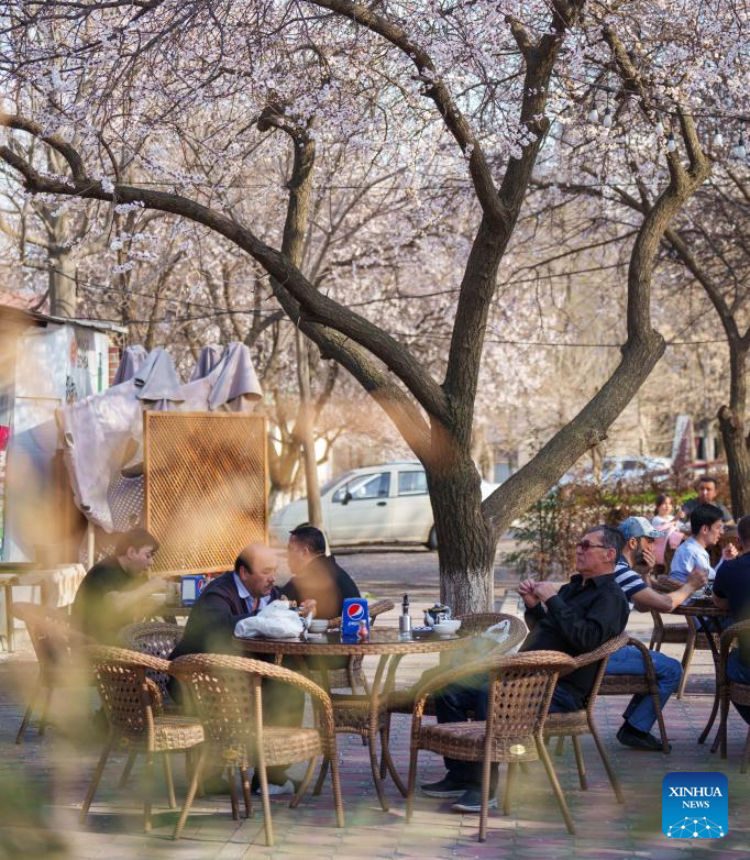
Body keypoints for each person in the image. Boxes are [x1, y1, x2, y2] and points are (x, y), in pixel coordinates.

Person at [421, 525, 629, 814]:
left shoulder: (611, 599)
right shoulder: (574, 588)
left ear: (608, 554)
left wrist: (553, 600)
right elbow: (553, 632)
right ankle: (460, 775)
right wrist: (535, 609)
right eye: (578, 544)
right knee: (450, 688)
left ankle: (483, 788)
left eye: (586, 545)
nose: (578, 550)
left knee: (490, 696)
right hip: (526, 678)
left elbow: (587, 640)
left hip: (561, 690)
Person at [169, 543, 307, 795]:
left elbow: (278, 619)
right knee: (280, 693)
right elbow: (217, 627)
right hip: (193, 680)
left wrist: (296, 614)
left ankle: (271, 774)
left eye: (274, 571)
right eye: (266, 571)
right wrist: (262, 620)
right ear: (244, 573)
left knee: (290, 685)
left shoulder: (268, 594)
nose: (273, 578)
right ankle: (260, 776)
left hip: (236, 677)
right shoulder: (219, 594)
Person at [608, 517, 707, 751]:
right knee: (672, 669)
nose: (653, 547)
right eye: (649, 541)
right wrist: (690, 586)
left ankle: (634, 724)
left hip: (605, 649)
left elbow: (642, 606)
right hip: (605, 654)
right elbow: (664, 604)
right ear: (633, 543)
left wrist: (645, 574)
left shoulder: (620, 569)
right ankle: (635, 729)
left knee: (659, 663)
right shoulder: (621, 572)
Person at [71, 528, 164, 644]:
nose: (151, 563)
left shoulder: (134, 572)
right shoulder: (105, 570)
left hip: (122, 638)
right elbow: (115, 604)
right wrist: (149, 588)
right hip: (95, 646)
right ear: (131, 553)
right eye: (148, 555)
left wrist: (170, 588)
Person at [713, 514, 750, 723]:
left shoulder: (729, 568)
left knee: (727, 665)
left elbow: (719, 602)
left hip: (748, 667)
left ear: (739, 542)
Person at [281, 525, 360, 620]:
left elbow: (276, 605)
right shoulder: (330, 567)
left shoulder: (309, 576)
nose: (287, 556)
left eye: (290, 550)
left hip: (334, 633)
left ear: (304, 552)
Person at [669, 504, 737, 584]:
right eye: (718, 527)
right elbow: (715, 583)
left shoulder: (690, 547)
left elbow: (712, 577)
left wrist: (725, 559)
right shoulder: (695, 553)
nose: (721, 532)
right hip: (692, 596)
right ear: (705, 529)